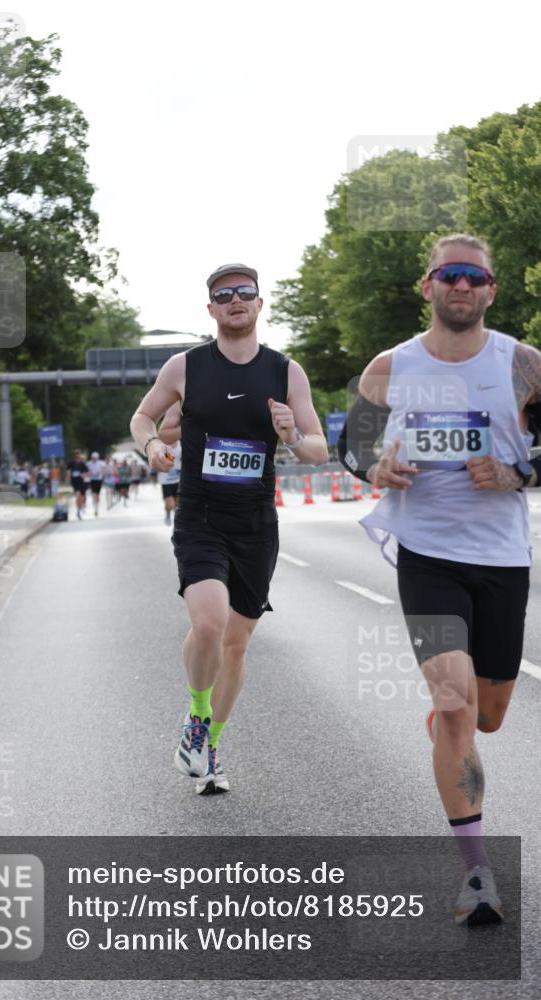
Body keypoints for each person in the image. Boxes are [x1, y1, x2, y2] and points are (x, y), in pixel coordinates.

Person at [337, 233, 541, 926]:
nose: (461, 286)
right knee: (455, 707)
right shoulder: (390, 367)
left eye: (473, 277)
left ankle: (451, 722)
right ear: (426, 286)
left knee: (488, 713)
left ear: (489, 290)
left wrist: (517, 474)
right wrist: (374, 470)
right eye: (448, 275)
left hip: (502, 560)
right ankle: (476, 875)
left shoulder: (521, 364)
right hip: (425, 555)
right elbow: (352, 444)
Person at [131, 263, 328, 794]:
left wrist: (290, 435)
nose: (235, 299)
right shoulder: (184, 367)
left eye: (245, 292)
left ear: (260, 304)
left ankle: (209, 745)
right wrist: (152, 446)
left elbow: (318, 449)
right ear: (212, 309)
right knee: (211, 622)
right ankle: (197, 718)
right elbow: (143, 418)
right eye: (224, 294)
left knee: (236, 646)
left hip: (256, 524)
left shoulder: (287, 372)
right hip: (200, 515)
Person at [158, 402, 182, 525]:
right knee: (170, 504)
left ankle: (176, 524)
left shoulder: (180, 444)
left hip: (178, 479)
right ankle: (167, 512)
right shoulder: (165, 444)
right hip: (166, 479)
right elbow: (169, 459)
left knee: (177, 505)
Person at [66, 449, 89, 519]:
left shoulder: (82, 464)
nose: (77, 457)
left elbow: (87, 472)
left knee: (81, 497)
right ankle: (78, 511)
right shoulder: (71, 463)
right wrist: (68, 477)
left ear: (79, 456)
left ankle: (80, 507)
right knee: (77, 496)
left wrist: (83, 475)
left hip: (81, 481)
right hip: (74, 482)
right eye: (76, 456)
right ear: (74, 456)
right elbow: (68, 471)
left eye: (78, 455)